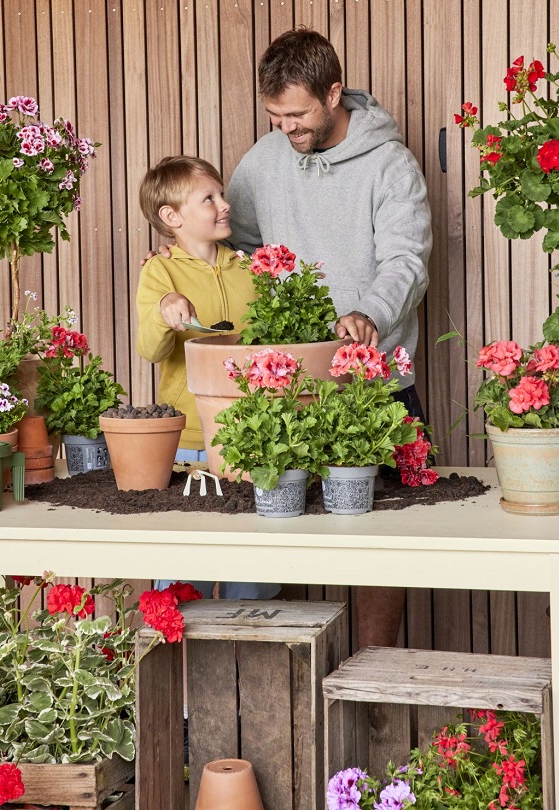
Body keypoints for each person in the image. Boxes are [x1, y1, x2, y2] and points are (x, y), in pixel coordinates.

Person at [146, 29, 433, 648]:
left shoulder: (390, 165)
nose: (287, 129)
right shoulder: (264, 161)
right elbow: (235, 247)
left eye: (298, 115)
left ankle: (374, 672)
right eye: (275, 116)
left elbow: (407, 259)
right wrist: (181, 270)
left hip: (372, 381)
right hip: (285, 386)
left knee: (383, 544)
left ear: (334, 93)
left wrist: (370, 315)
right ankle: (293, 673)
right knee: (285, 536)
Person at [136, 155, 279, 601]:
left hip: (251, 440)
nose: (224, 205)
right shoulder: (159, 272)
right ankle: (174, 664)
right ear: (171, 217)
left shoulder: (250, 268)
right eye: (209, 198)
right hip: (189, 443)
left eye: (222, 194)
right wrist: (165, 310)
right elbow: (151, 349)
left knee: (252, 580)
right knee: (181, 579)